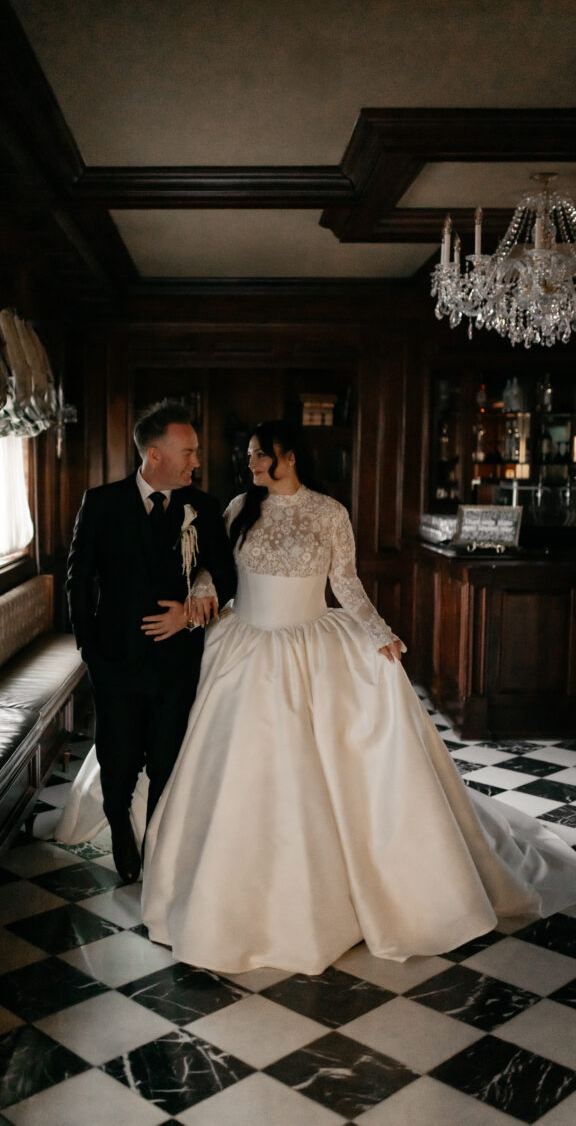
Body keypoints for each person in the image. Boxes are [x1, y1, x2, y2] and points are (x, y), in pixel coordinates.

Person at [138, 419, 576, 975]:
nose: (250, 465)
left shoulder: (329, 513)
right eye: (248, 457)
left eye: (260, 455)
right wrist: (201, 591)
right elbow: (215, 568)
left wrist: (378, 632)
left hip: (309, 643)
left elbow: (345, 582)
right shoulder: (238, 508)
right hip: (242, 643)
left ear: (289, 457)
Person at [59, 400, 236, 884]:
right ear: (154, 454)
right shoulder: (101, 502)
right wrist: (90, 651)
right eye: (188, 451)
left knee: (166, 759)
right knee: (119, 760)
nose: (196, 460)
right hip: (115, 660)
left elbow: (225, 575)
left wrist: (190, 613)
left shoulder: (203, 508)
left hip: (178, 660)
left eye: (196, 451)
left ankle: (155, 841)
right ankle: (120, 826)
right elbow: (78, 580)